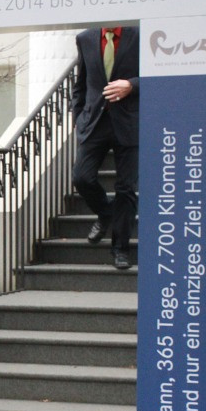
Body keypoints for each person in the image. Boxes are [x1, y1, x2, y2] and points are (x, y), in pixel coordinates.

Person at [70, 25, 140, 271]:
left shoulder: (139, 34)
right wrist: (79, 120)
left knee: (126, 188)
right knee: (82, 177)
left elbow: (157, 75)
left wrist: (132, 84)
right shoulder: (85, 39)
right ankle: (106, 212)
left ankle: (121, 249)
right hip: (94, 123)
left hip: (129, 122)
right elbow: (81, 84)